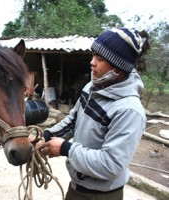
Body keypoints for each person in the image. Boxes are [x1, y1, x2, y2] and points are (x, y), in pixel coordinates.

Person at [39, 27, 149, 200]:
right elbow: (74, 120)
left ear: (118, 68)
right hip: (77, 187)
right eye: (93, 55)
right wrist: (46, 135)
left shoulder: (129, 111)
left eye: (100, 58)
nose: (92, 62)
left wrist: (65, 149)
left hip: (101, 195)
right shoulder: (93, 86)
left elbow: (111, 164)